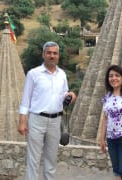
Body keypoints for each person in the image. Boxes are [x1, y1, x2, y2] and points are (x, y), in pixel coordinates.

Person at [18, 41, 76, 180]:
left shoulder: (62, 75)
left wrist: (70, 96)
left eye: (55, 53)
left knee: (51, 159)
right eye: (49, 53)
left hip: (56, 121)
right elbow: (26, 99)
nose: (52, 55)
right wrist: (22, 121)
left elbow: (63, 94)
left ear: (58, 56)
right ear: (43, 55)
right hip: (37, 119)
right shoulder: (33, 74)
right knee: (33, 158)